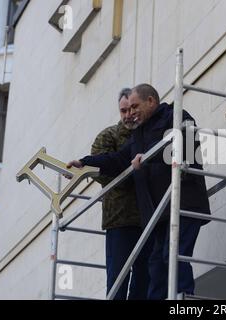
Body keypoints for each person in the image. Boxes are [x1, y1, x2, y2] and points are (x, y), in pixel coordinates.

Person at [68, 84, 210, 300]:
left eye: (135, 106)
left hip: (184, 203)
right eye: (127, 109)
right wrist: (84, 163)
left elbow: (186, 145)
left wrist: (148, 156)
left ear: (151, 101)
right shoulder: (140, 134)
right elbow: (118, 159)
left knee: (173, 255)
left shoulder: (176, 115)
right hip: (160, 211)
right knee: (156, 262)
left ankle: (183, 297)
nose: (131, 112)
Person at [91, 88, 153, 300]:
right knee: (118, 278)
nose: (128, 115)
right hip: (119, 219)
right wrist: (133, 174)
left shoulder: (147, 132)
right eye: (123, 111)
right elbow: (101, 173)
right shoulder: (108, 136)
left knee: (145, 278)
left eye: (132, 109)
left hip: (147, 216)